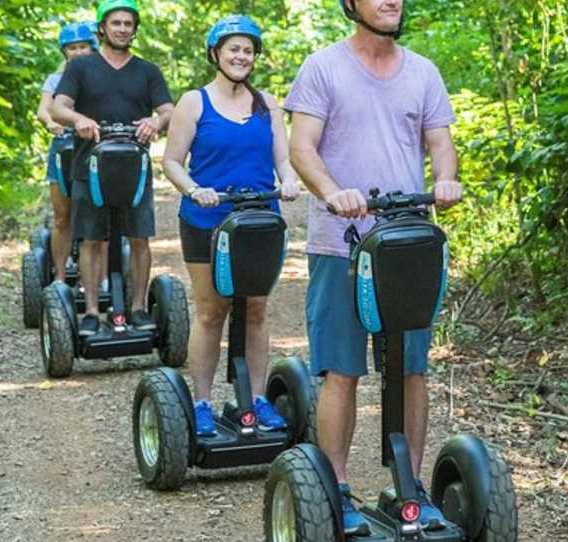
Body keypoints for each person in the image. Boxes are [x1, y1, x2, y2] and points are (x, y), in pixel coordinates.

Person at [284, 0, 462, 535]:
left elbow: (441, 144)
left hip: (406, 245)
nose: (392, 1)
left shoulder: (423, 71)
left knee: (412, 369)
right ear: (350, 4)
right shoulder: (323, 67)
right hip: (342, 244)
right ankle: (335, 488)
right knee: (342, 370)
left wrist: (447, 180)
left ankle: (409, 485)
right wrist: (333, 191)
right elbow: (301, 147)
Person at [162, 15, 300, 435]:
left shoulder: (268, 103)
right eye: (233, 49)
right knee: (210, 311)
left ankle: (256, 399)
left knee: (255, 309)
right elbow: (171, 161)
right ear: (215, 53)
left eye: (248, 50)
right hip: (208, 220)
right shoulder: (194, 101)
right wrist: (193, 189)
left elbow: (282, 158)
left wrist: (289, 179)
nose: (242, 56)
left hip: (258, 220)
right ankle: (201, 402)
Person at [51, 0, 173, 336]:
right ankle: (91, 312)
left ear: (135, 29)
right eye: (115, 23)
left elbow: (169, 110)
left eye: (128, 23)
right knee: (91, 239)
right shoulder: (81, 68)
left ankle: (136, 308)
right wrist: (79, 119)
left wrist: (156, 120)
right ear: (102, 28)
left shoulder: (147, 70)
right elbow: (59, 107)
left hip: (135, 170)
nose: (122, 29)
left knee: (139, 238)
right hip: (88, 167)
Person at [36, 22, 97, 283]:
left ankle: (95, 279)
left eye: (83, 46)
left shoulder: (102, 75)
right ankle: (60, 278)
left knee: (97, 219)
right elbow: (44, 110)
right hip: (65, 148)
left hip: (95, 148)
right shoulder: (55, 79)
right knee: (63, 217)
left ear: (92, 48)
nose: (78, 51)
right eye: (73, 48)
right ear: (65, 51)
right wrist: (51, 124)